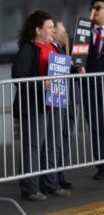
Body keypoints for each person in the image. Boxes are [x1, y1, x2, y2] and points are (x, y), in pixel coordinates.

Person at [12, 10, 71, 202]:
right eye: (50, 28)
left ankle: (51, 184)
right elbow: (18, 77)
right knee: (34, 146)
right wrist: (41, 84)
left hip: (55, 103)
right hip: (35, 105)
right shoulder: (27, 50)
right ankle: (30, 188)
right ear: (38, 30)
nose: (53, 31)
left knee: (53, 145)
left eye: (54, 28)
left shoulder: (55, 48)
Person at [51, 21, 74, 189]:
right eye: (63, 31)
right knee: (58, 140)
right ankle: (55, 176)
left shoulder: (63, 50)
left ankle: (60, 173)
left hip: (70, 100)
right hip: (59, 102)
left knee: (66, 139)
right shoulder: (54, 51)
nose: (66, 35)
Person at [84, 0, 104, 180]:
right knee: (96, 125)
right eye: (92, 7)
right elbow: (77, 56)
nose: (94, 11)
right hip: (90, 86)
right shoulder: (85, 31)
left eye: (97, 7)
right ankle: (101, 165)